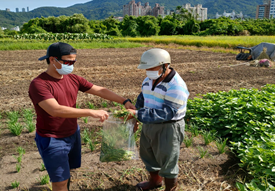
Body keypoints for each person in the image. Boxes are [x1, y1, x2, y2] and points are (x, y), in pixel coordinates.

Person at [28, 42, 135, 191]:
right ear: (53, 60)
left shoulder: (73, 79)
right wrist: (91, 112)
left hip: (72, 133)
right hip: (52, 138)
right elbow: (55, 110)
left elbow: (100, 90)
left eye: (74, 62)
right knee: (59, 182)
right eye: (67, 61)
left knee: (68, 174)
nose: (71, 65)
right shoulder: (39, 84)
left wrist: (125, 101)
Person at [127, 48, 189, 191]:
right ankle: (155, 182)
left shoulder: (176, 85)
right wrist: (136, 114)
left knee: (168, 160)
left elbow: (168, 113)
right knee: (148, 154)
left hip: (168, 127)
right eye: (146, 68)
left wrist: (137, 114)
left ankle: (170, 188)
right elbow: (143, 97)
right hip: (149, 123)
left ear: (165, 66)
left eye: (151, 67)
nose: (148, 71)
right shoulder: (149, 79)